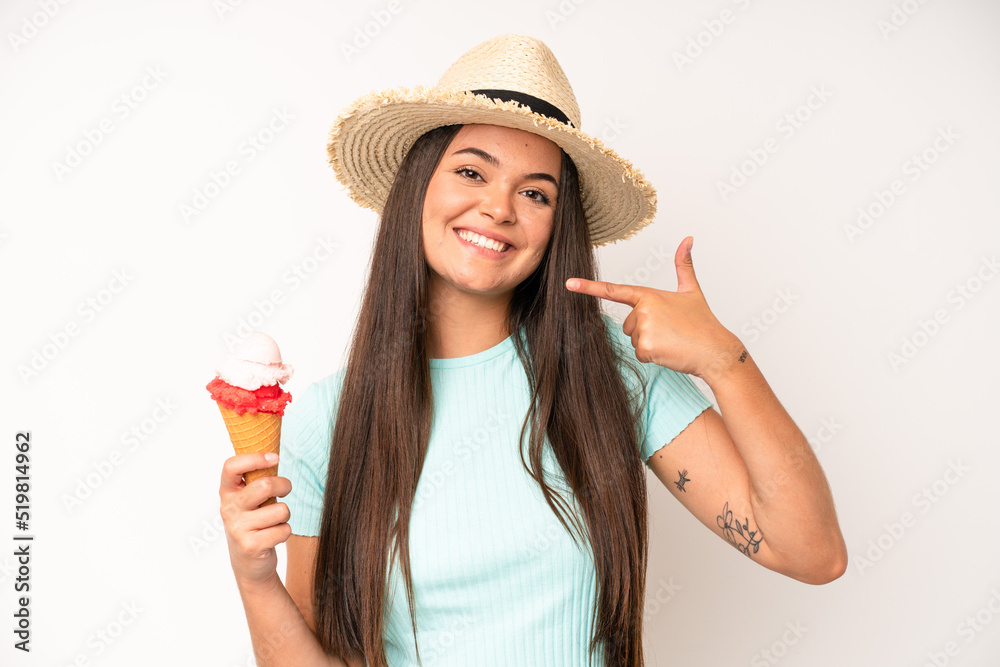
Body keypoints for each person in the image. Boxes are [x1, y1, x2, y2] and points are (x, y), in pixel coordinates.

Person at [218, 34, 848, 667]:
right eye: (471, 171)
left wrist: (724, 360)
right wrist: (254, 576)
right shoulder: (327, 420)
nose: (498, 207)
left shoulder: (609, 370)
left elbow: (811, 552)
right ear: (419, 187)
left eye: (536, 192)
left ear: (556, 226)